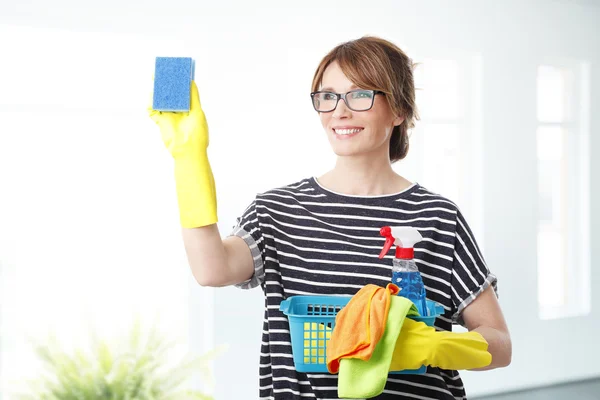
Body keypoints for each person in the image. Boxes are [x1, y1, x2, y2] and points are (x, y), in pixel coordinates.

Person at [149, 36, 512, 400]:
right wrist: (189, 159)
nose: (339, 111)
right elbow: (211, 269)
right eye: (327, 97)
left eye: (360, 95)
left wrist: (438, 346)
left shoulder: (437, 217)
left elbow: (499, 343)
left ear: (399, 109)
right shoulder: (278, 211)